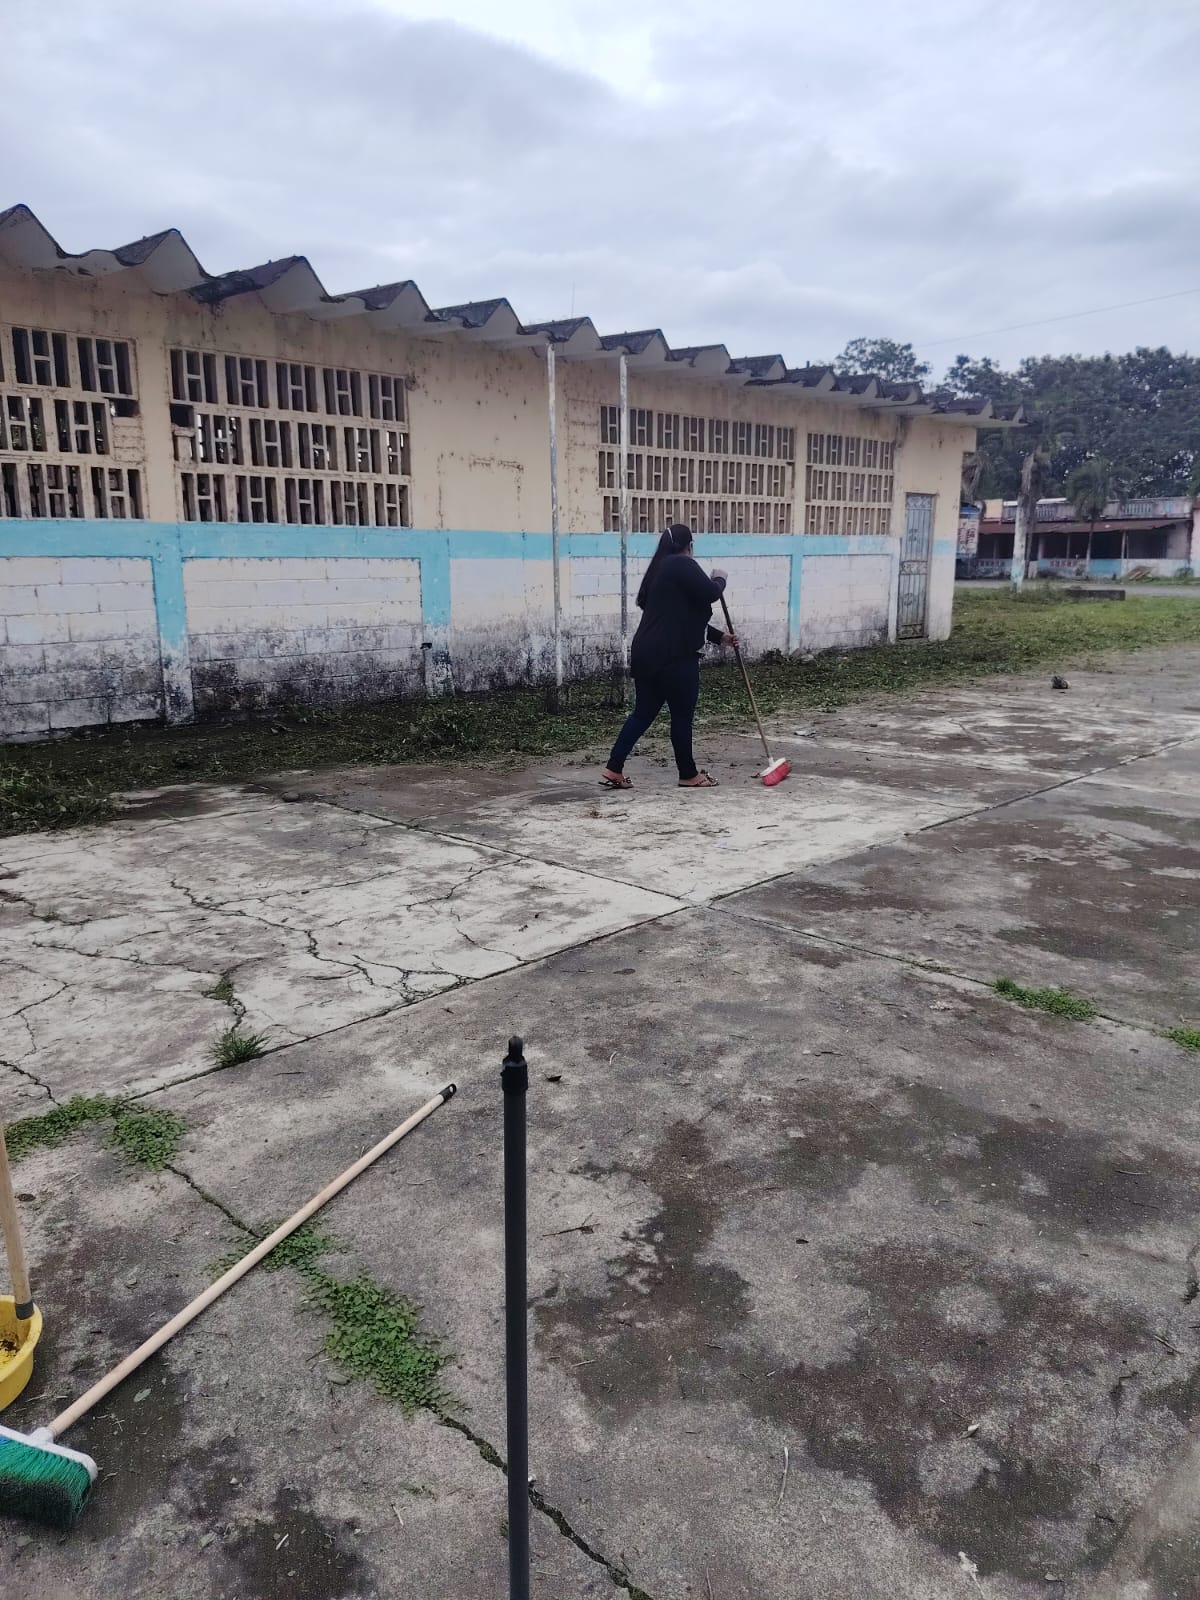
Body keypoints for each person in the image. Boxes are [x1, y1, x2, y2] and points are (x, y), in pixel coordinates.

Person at [600, 523, 735, 790]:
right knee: (682, 716)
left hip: (647, 654)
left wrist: (721, 637)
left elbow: (679, 619)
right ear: (689, 546)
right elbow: (711, 593)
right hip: (675, 657)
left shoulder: (660, 570)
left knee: (642, 714)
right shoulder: (681, 563)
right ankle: (688, 774)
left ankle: (614, 767)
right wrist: (720, 578)